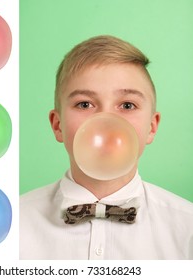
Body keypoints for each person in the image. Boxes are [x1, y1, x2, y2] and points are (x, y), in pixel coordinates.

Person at [20, 35, 193, 259]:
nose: (106, 121)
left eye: (127, 105)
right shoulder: (11, 225)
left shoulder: (186, 228)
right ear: (57, 125)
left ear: (151, 126)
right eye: (84, 104)